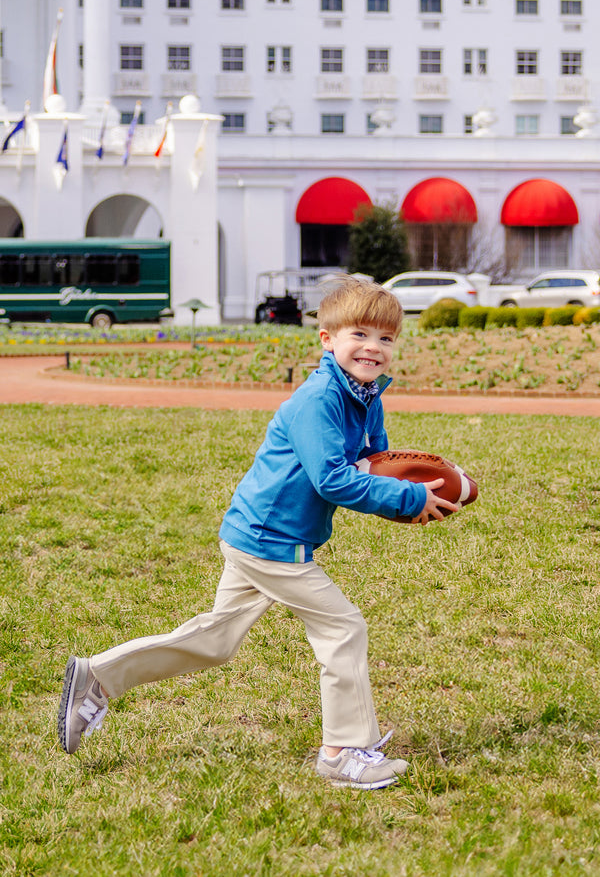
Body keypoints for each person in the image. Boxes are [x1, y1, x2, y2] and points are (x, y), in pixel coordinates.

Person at [58, 276, 455, 790]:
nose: (373, 348)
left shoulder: (365, 396)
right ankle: (343, 752)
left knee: (217, 642)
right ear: (327, 339)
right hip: (271, 540)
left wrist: (417, 489)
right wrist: (408, 499)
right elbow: (333, 479)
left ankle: (99, 676)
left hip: (259, 534)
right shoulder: (318, 401)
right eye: (360, 334)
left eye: (385, 339)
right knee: (343, 628)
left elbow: (370, 463)